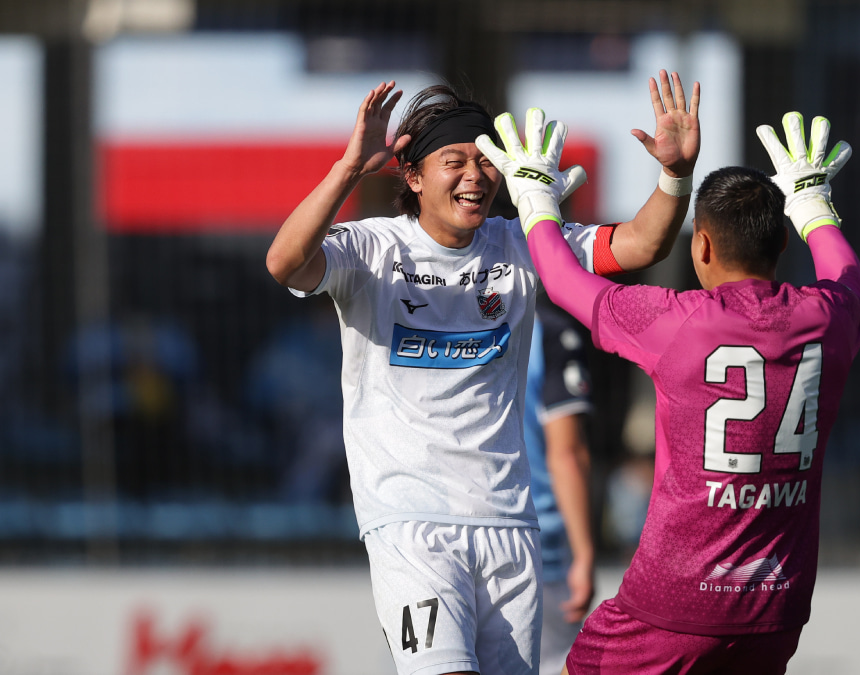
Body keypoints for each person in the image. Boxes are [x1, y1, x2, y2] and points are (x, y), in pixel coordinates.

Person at [265, 70, 700, 675]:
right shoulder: (370, 249)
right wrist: (346, 168)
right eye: (453, 161)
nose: (475, 175)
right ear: (413, 178)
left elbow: (640, 245)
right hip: (411, 524)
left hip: (507, 524)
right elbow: (285, 263)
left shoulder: (521, 243)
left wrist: (675, 175)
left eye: (485, 160)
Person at [477, 110, 860, 674]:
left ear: (701, 247)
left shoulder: (675, 319)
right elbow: (847, 276)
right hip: (777, 605)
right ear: (782, 240)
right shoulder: (829, 317)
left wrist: (536, 200)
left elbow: (561, 282)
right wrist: (813, 205)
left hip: (671, 606)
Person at [524, 295, 595, 675]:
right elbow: (566, 452)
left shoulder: (438, 322)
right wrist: (583, 554)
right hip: (537, 548)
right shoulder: (548, 332)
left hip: (441, 539)